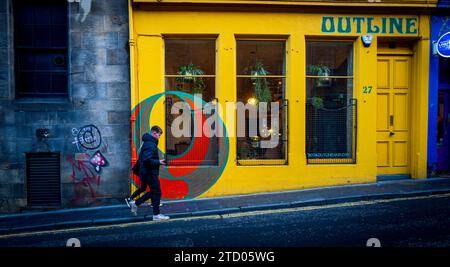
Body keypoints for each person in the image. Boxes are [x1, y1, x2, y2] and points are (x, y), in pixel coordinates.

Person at [125, 126, 169, 220]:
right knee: (156, 191)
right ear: (154, 133)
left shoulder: (148, 143)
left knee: (154, 191)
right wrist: (159, 162)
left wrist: (157, 161)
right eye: (159, 135)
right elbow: (147, 159)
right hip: (149, 172)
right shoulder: (150, 144)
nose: (159, 137)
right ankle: (155, 214)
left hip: (147, 172)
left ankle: (137, 204)